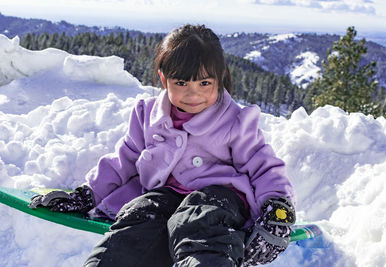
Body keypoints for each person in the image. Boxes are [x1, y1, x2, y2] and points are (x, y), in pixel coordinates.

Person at [29, 24, 296, 267]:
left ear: (221, 77)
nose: (193, 94)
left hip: (220, 200)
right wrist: (88, 194)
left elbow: (264, 167)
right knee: (139, 215)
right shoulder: (148, 115)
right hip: (165, 196)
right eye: (181, 83)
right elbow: (125, 159)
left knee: (199, 221)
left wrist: (278, 209)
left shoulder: (235, 121)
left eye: (205, 83)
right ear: (162, 78)